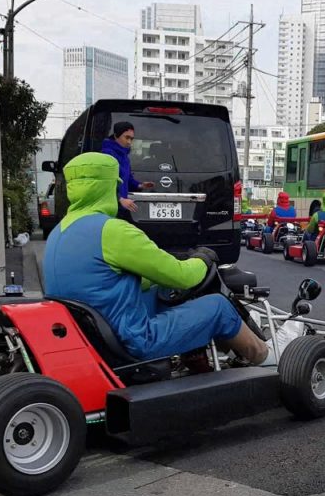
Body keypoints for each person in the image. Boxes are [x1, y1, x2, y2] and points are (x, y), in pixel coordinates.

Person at [43, 152, 269, 366]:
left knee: (160, 293)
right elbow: (182, 277)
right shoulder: (112, 231)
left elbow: (104, 280)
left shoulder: (59, 232)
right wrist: (202, 258)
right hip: (131, 341)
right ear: (110, 187)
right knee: (218, 307)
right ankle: (265, 358)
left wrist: (156, 279)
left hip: (89, 336)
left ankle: (201, 356)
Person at [98, 122, 153, 222]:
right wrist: (120, 199)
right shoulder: (107, 154)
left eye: (131, 139)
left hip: (120, 207)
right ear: (116, 136)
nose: (129, 142)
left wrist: (140, 185)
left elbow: (127, 178)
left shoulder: (124, 157)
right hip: (109, 208)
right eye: (126, 137)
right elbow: (105, 182)